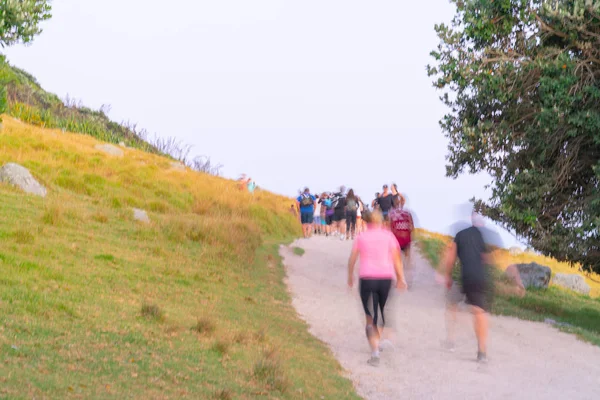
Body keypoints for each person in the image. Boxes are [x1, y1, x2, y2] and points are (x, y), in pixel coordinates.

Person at [441, 207, 502, 363]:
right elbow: (493, 257)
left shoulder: (461, 235)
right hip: (480, 278)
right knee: (479, 312)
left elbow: (450, 258)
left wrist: (447, 275)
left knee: (451, 304)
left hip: (465, 275)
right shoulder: (488, 236)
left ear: (472, 218)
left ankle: (450, 341)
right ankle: (482, 352)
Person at [347, 209, 407, 367]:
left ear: (367, 222)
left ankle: (374, 352)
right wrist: (401, 278)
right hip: (385, 279)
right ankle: (377, 344)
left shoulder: (362, 236)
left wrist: (350, 276)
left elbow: (352, 258)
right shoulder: (389, 236)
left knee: (369, 316)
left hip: (367, 278)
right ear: (381, 222)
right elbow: (396, 259)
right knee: (380, 313)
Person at [389, 195, 414, 285]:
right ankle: (407, 280)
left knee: (397, 261)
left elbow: (389, 228)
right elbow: (411, 227)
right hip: (406, 239)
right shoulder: (408, 213)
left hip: (396, 240)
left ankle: (399, 280)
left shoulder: (391, 214)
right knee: (407, 261)